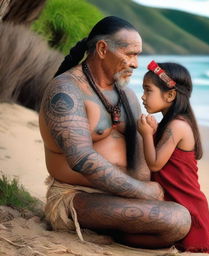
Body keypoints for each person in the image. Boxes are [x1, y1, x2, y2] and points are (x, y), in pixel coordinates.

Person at [39, 16, 191, 249]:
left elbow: (139, 149)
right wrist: (142, 192)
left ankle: (113, 231)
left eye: (138, 55)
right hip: (77, 195)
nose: (136, 63)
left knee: (182, 220)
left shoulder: (127, 95)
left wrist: (147, 185)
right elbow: (82, 159)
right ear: (102, 49)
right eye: (130, 54)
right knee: (177, 220)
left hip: (125, 194)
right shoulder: (66, 91)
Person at [137, 60, 209, 253]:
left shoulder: (178, 126)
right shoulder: (170, 123)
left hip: (187, 207)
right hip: (172, 202)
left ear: (170, 95)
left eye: (148, 90)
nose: (143, 96)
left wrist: (147, 135)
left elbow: (155, 164)